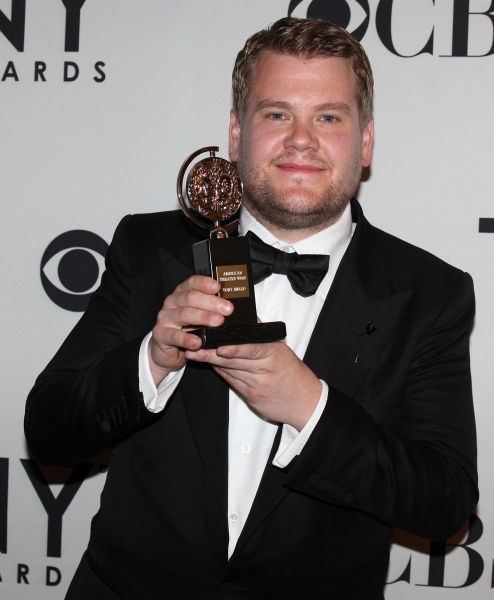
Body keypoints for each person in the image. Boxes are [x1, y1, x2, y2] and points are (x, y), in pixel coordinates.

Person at [25, 17, 478, 600]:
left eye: (329, 117)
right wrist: (152, 361)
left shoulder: (429, 293)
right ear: (236, 134)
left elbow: (444, 502)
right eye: (276, 113)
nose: (301, 139)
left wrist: (311, 409)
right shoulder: (150, 249)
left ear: (365, 142)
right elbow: (49, 431)